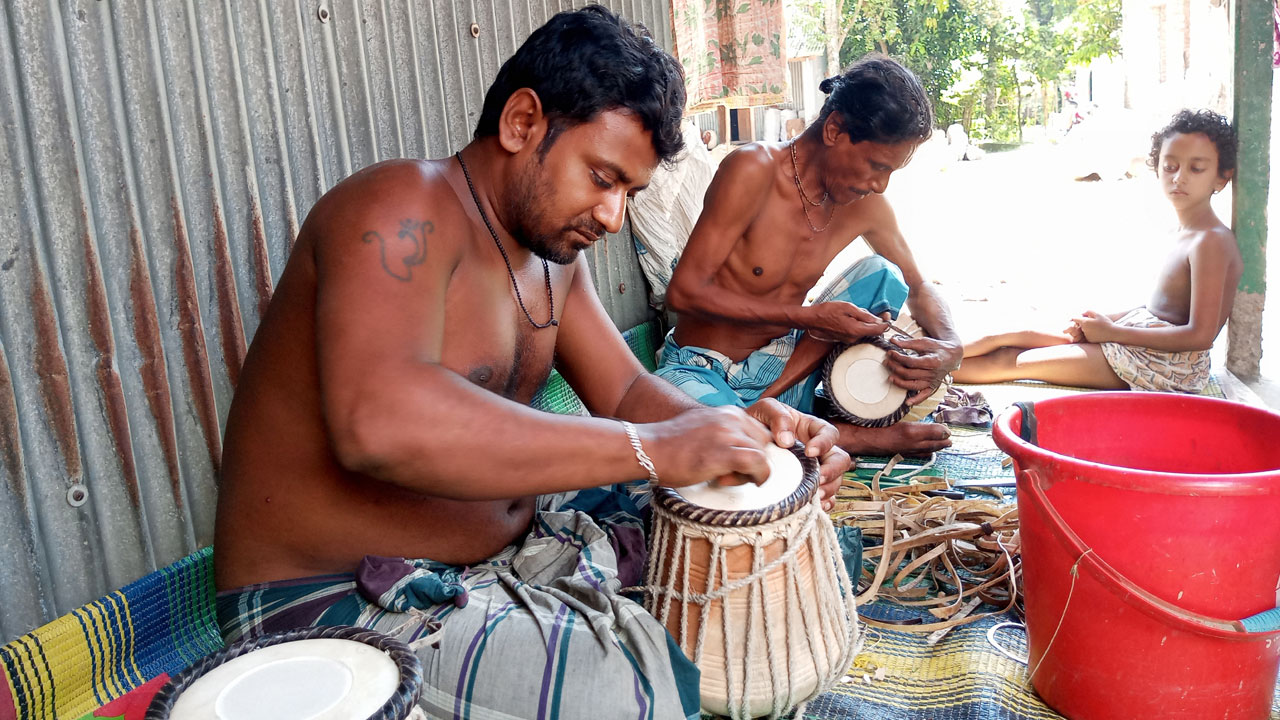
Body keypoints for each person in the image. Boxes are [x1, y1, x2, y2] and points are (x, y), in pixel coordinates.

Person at [213, 7, 849, 719]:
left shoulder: (552, 260)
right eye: (603, 177)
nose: (613, 217)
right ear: (522, 123)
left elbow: (632, 391)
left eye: (629, 194)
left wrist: (744, 438)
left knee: (772, 543)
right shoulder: (399, 209)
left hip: (494, 555)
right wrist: (657, 448)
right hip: (331, 598)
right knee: (640, 687)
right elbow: (381, 424)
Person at [656, 54, 962, 458]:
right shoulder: (752, 170)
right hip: (703, 370)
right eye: (875, 165)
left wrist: (952, 347)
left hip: (786, 373)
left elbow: (918, 285)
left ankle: (787, 423)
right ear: (835, 129)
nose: (880, 184)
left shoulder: (865, 204)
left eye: (892, 172)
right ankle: (850, 437)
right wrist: (808, 316)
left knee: (883, 273)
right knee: (730, 452)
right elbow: (683, 295)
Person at [953, 109, 1241, 393]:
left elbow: (1201, 336)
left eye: (1196, 168)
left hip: (1168, 364)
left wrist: (1112, 333)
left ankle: (924, 377)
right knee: (1011, 334)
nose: (1179, 177)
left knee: (1010, 360)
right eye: (1170, 166)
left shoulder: (1210, 241)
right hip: (1141, 338)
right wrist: (1105, 321)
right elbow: (1161, 308)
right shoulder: (1183, 232)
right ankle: (925, 358)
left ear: (1221, 177)